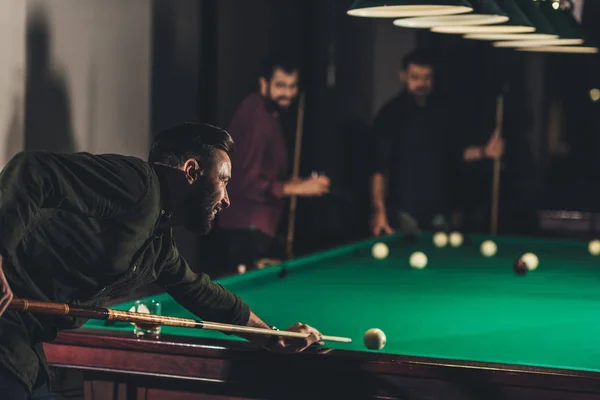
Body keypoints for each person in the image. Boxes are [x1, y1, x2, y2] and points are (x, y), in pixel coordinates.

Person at [0, 122, 323, 398]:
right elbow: (32, 170)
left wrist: (271, 336)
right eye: (223, 180)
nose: (226, 199)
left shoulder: (158, 248)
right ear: (192, 171)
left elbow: (202, 294)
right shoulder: (137, 183)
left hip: (24, 335)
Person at [370, 49, 504, 236]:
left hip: (439, 213)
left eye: (427, 77)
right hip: (404, 212)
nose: (422, 83)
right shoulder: (390, 116)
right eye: (415, 77)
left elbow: (456, 153)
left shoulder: (442, 112)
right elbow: (378, 169)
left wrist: (484, 152)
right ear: (403, 77)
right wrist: (379, 211)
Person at [218, 53, 330, 273]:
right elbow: (244, 182)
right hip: (247, 228)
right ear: (264, 83)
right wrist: (295, 188)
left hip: (256, 227)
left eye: (292, 86)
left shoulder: (269, 114)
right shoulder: (255, 115)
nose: (288, 93)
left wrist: (294, 183)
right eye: (281, 86)